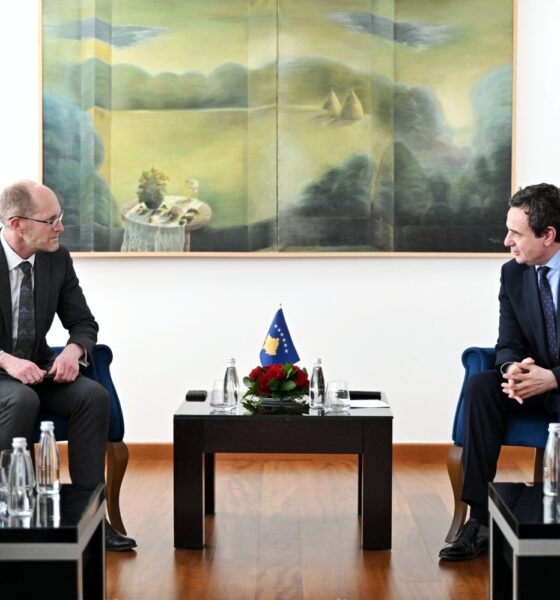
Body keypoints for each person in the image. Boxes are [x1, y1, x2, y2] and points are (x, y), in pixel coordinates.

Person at [0, 180, 136, 551]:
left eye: (59, 217)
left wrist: (73, 351)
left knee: (92, 395)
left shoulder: (56, 259)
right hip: (4, 375)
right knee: (22, 400)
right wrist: (8, 361)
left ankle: (92, 518)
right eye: (51, 220)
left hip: (37, 370)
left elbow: (83, 323)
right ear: (17, 224)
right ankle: (16, 516)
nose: (60, 227)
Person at [439, 182, 560, 561]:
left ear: (548, 235)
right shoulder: (513, 274)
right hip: (533, 384)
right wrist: (513, 370)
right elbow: (508, 341)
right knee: (481, 386)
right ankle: (479, 520)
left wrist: (553, 378)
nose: (507, 241)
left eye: (516, 233)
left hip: (555, 382)